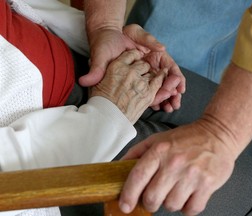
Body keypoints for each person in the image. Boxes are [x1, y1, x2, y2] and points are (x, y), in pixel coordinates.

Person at [77, 0, 252, 215]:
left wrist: (105, 27)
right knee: (251, 189)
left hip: (67, 74)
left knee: (237, 134)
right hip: (67, 122)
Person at [0, 0, 165, 215]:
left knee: (205, 109)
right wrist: (104, 118)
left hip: (81, 55)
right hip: (58, 158)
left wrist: (103, 29)